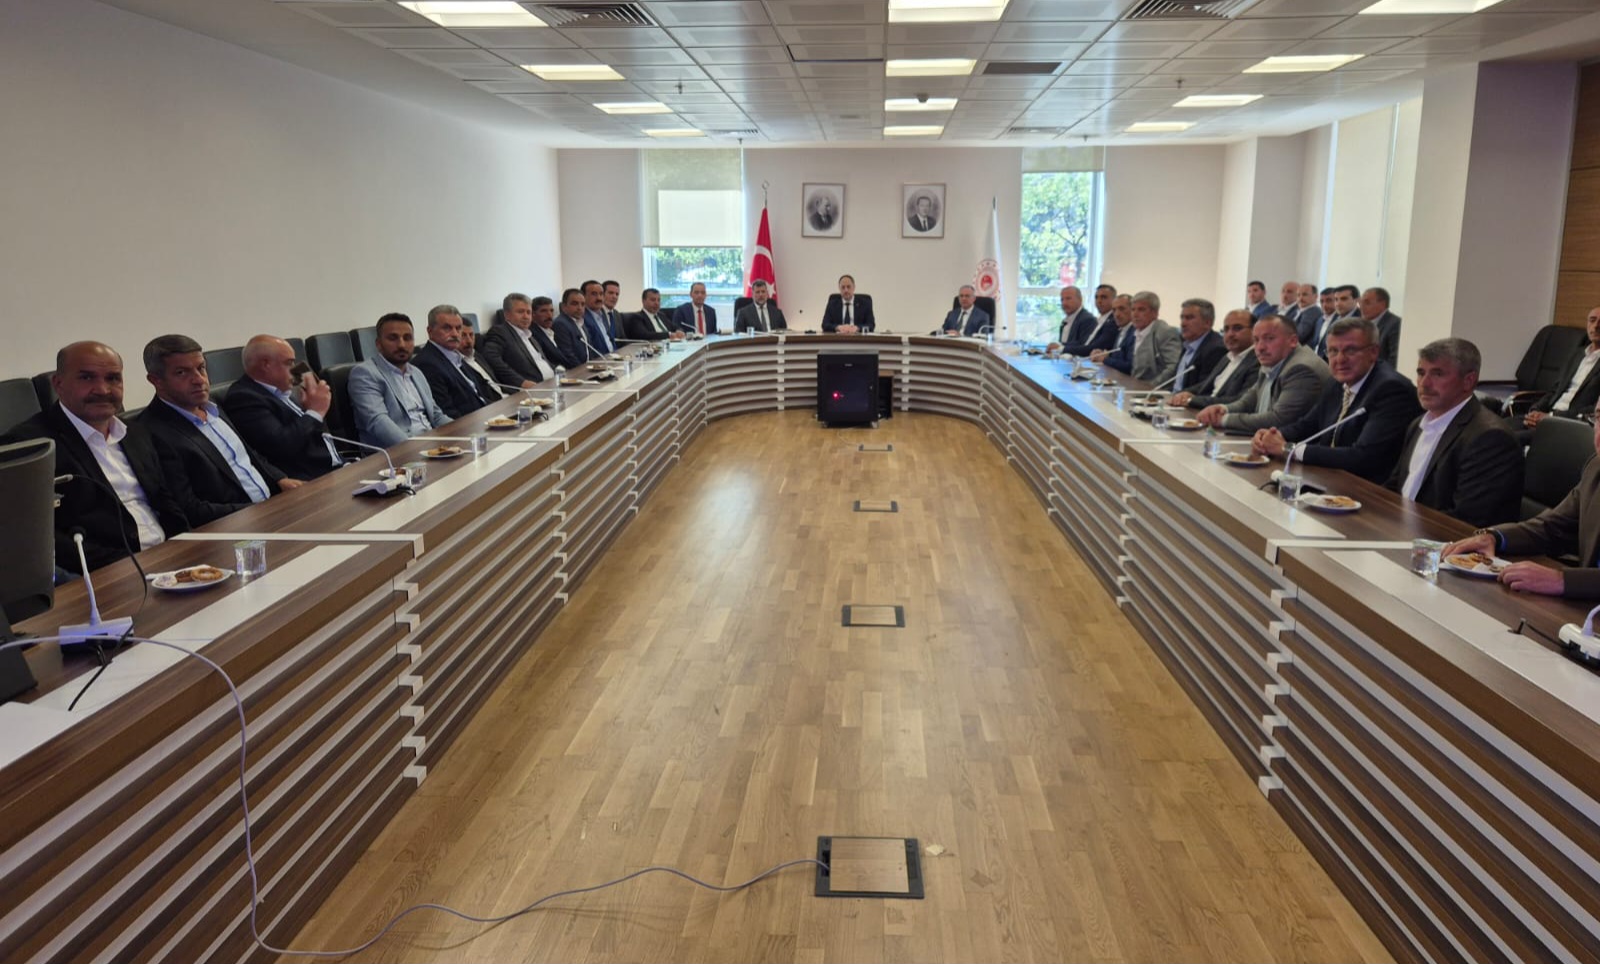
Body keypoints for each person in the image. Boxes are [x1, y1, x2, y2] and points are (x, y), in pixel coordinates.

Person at [1, 341, 188, 574]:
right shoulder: (30, 446)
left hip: (169, 561)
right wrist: (133, 566)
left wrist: (186, 547)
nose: (102, 389)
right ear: (58, 384)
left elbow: (165, 500)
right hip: (102, 574)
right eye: (86, 378)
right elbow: (39, 537)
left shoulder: (135, 431)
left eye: (113, 378)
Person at [1442, 396, 1600, 598]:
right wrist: (1494, 537)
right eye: (1599, 417)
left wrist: (1562, 580)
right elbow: (1553, 527)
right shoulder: (1596, 468)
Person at [141, 334, 297, 526]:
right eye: (181, 372)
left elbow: (246, 454)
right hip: (235, 527)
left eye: (201, 368)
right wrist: (261, 510)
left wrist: (280, 479)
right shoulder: (152, 432)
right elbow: (190, 509)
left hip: (272, 509)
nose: (199, 379)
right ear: (156, 380)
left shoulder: (212, 407)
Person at [1250, 317, 1421, 482]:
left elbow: (1364, 457)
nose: (1340, 359)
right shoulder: (1337, 381)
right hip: (1329, 478)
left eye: (1350, 350)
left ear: (1373, 352)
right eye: (1333, 351)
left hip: (1367, 489)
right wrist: (1272, 436)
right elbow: (1308, 424)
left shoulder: (1391, 389)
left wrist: (1289, 450)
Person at [1386, 337, 1522, 527]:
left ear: (1468, 381)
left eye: (1437, 374)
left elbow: (1466, 521)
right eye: (1421, 373)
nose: (1424, 383)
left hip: (1444, 540)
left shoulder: (1490, 439)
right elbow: (1395, 488)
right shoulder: (1418, 424)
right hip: (1402, 528)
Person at [223, 335, 345, 480]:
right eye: (289, 363)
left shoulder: (287, 388)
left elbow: (316, 434)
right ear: (266, 364)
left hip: (338, 466)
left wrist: (312, 410)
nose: (295, 369)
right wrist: (314, 412)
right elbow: (282, 446)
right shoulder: (243, 398)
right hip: (310, 480)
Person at [1196, 315, 1331, 434]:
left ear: (1293, 341)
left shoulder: (1302, 369)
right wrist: (1222, 409)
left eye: (1269, 339)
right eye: (1256, 340)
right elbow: (1249, 401)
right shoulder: (1273, 360)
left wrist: (1223, 420)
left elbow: (1278, 420)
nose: (1260, 347)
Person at [346, 313, 451, 447]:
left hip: (433, 445)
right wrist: (415, 448)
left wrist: (464, 433)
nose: (401, 345)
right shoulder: (365, 374)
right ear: (378, 344)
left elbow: (436, 415)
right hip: (396, 452)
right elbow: (378, 422)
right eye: (393, 338)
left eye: (407, 338)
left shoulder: (416, 372)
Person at [1520, 305, 1600, 434]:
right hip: (1547, 416)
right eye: (1592, 320)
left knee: (1512, 438)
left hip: (1571, 425)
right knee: (1502, 427)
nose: (1596, 326)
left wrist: (1552, 417)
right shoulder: (1577, 354)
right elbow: (1555, 389)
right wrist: (1535, 411)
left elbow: (1594, 409)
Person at [411, 304, 498, 420]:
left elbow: (479, 395)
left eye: (458, 328)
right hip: (469, 425)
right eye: (447, 328)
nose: (455, 334)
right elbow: (447, 412)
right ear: (430, 331)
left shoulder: (456, 356)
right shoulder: (427, 364)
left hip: (487, 416)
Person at [1169, 309, 1260, 410]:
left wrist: (1192, 400)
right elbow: (1207, 384)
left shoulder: (1257, 361)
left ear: (1254, 331)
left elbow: (1239, 401)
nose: (1230, 334)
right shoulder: (1227, 357)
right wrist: (1185, 393)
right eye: (1226, 329)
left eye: (1237, 328)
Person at [1096, 291, 1180, 385]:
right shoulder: (1136, 331)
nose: (1135, 314)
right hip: (1133, 385)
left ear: (1155, 313)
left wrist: (1151, 386)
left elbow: (1174, 366)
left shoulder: (1164, 332)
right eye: (1133, 309)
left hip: (1153, 390)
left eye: (1141, 310)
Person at [482, 293, 565, 386]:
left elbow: (542, 361)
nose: (526, 316)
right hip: (531, 389)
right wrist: (521, 382)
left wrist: (559, 372)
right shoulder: (500, 332)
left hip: (552, 383)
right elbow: (492, 359)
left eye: (528, 312)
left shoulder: (529, 335)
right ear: (507, 314)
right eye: (520, 312)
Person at [1171, 298, 1226, 394]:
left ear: (1207, 323)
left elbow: (1205, 387)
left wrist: (1177, 397)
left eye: (1189, 318)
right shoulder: (1187, 344)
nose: (1183, 323)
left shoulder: (1216, 349)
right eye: (1182, 318)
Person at [1060, 284, 1119, 356]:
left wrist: (1061, 348)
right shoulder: (1101, 320)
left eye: (1104, 297)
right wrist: (1060, 346)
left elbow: (1093, 348)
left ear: (1114, 300)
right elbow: (1086, 343)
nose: (1099, 301)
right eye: (1096, 297)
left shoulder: (1113, 322)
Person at [456, 315, 502, 397]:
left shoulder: (477, 355)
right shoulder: (457, 364)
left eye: (471, 335)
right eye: (463, 335)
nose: (469, 341)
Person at [1360, 286, 1403, 368]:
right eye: (1361, 303)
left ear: (1382, 304)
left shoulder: (1395, 324)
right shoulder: (1361, 324)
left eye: (1367, 303)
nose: (1362, 307)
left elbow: (1394, 359)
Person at [555, 287, 599, 363]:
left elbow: (590, 350)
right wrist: (585, 368)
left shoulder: (580, 322)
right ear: (563, 306)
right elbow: (568, 355)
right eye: (575, 304)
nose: (580, 308)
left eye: (583, 304)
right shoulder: (561, 324)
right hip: (577, 369)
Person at [1051, 285, 1096, 350]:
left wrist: (1059, 347)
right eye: (1062, 299)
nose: (1064, 303)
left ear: (1080, 299)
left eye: (1068, 299)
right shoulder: (1065, 321)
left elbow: (1083, 345)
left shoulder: (1088, 319)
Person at [580, 280, 617, 354]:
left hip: (613, 356)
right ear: (583, 296)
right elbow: (590, 349)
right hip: (600, 359)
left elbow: (609, 340)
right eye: (594, 294)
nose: (599, 298)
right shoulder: (582, 318)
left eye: (601, 294)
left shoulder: (604, 314)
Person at [602, 280, 624, 344]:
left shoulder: (617, 314)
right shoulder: (597, 313)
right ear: (602, 294)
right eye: (610, 293)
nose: (614, 297)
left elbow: (622, 339)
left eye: (617, 294)